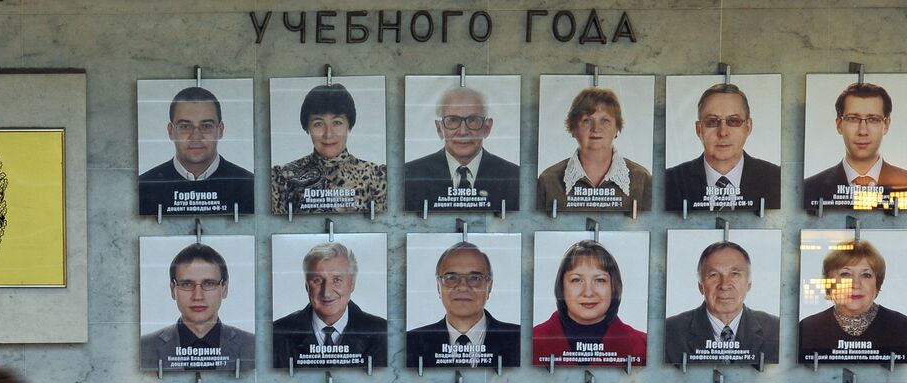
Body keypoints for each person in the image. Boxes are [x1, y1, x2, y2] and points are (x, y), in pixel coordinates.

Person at [270, 82, 386, 215]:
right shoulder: (283, 178)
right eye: (318, 124)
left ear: (349, 125)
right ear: (307, 128)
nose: (328, 133)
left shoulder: (375, 177)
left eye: (337, 123)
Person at [137, 85, 253, 217]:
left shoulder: (248, 185)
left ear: (220, 130)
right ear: (171, 131)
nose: (196, 136)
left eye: (206, 126)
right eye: (185, 126)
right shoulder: (145, 186)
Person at [664, 83, 781, 212]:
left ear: (748, 127)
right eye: (712, 121)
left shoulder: (777, 179)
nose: (723, 132)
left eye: (734, 121)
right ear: (699, 129)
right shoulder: (669, 182)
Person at [402, 86, 519, 214]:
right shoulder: (410, 177)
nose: (463, 132)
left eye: (473, 120)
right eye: (453, 120)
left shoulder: (515, 178)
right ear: (439, 129)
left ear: (487, 128)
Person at [271, 240, 387, 369]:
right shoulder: (276, 334)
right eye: (317, 280)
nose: (326, 292)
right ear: (306, 286)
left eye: (337, 280)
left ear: (352, 284)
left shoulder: (384, 333)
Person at [139, 242, 253, 371]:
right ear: (173, 290)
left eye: (209, 283)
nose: (198, 296)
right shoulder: (143, 348)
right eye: (187, 284)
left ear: (224, 288)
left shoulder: (253, 346)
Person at [405, 241, 520, 369]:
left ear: (489, 286)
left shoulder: (520, 339)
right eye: (451, 278)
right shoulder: (410, 343)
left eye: (475, 278)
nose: (463, 287)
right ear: (439, 286)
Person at [536, 86, 652, 213]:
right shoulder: (549, 180)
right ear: (573, 128)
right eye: (586, 121)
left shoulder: (641, 178)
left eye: (605, 121)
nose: (596, 128)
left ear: (617, 128)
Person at [532, 239, 646, 367]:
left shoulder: (646, 348)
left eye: (600, 280)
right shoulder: (528, 343)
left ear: (614, 287)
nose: (588, 292)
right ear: (562, 287)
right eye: (576, 280)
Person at [664, 241, 779, 366]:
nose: (724, 285)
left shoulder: (776, 329)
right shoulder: (669, 331)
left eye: (735, 274)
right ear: (701, 286)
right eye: (714, 275)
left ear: (749, 284)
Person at [798, 239, 907, 364]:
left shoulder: (902, 326)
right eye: (845, 274)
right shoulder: (807, 328)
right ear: (829, 282)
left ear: (877, 284)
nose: (855, 284)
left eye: (866, 275)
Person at [803, 82, 907, 209]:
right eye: (853, 119)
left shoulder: (904, 182)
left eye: (873, 119)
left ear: (886, 125)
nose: (862, 131)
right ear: (839, 125)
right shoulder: (809, 188)